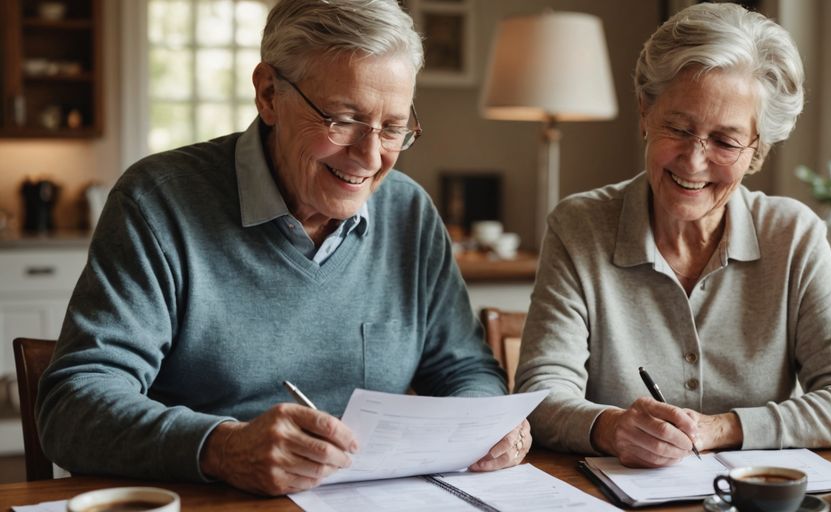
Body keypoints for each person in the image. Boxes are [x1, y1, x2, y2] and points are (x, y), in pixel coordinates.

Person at [37, 0, 530, 496]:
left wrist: (485, 423)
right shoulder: (158, 201)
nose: (371, 155)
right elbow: (73, 406)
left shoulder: (409, 213)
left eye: (393, 128)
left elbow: (465, 368)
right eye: (343, 119)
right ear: (269, 94)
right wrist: (223, 448)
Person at [515, 2, 831, 468]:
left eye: (726, 141)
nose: (693, 161)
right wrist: (611, 428)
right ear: (645, 111)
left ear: (757, 152)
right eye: (678, 127)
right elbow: (539, 393)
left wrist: (720, 428)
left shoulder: (794, 236)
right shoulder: (579, 226)